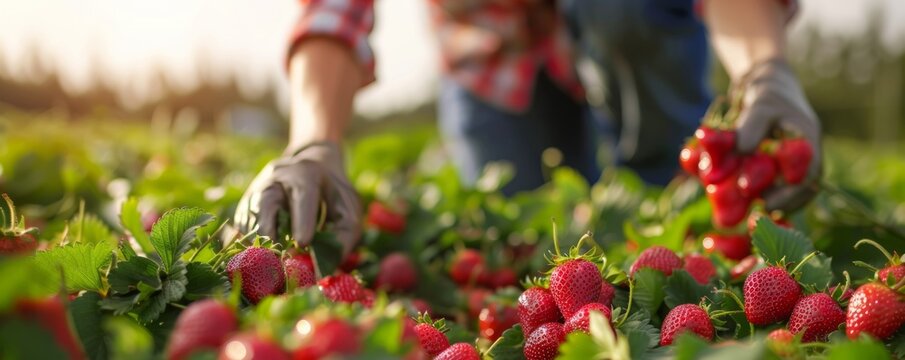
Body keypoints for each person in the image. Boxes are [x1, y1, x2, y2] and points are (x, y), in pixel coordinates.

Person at [234, 0, 821, 254]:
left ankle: (671, 204)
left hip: (624, 27)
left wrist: (764, 69)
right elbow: (334, 13)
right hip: (493, 66)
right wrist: (312, 140)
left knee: (679, 208)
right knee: (523, 233)